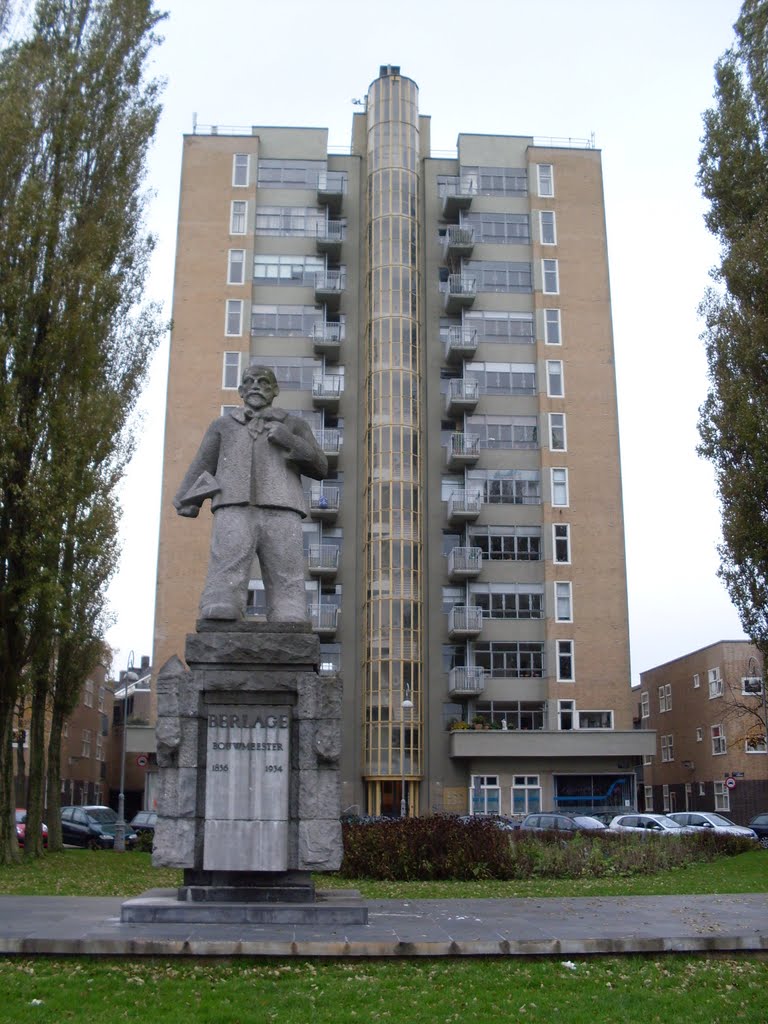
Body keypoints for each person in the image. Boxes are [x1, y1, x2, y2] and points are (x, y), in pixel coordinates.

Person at [174, 364, 328, 622]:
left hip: (283, 506)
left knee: (286, 566)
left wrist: (290, 441)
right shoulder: (222, 426)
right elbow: (204, 462)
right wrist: (185, 499)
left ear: (275, 390)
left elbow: (321, 466)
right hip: (233, 504)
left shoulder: (294, 425)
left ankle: (288, 607)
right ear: (241, 390)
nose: (257, 386)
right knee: (228, 559)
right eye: (251, 381)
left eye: (264, 382)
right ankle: (222, 599)